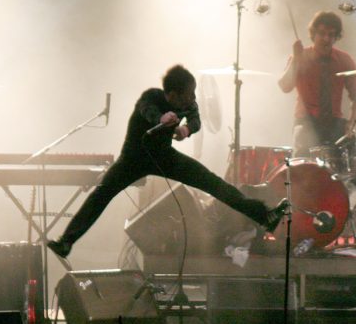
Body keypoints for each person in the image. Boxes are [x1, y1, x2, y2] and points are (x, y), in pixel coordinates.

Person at [47, 65, 288, 258]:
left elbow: (195, 120)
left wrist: (187, 130)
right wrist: (161, 118)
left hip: (164, 157)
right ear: (172, 95)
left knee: (214, 183)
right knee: (101, 195)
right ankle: (66, 242)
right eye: (187, 95)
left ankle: (264, 216)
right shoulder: (151, 97)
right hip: (132, 159)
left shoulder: (188, 104)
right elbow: (146, 111)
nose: (192, 99)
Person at [278, 10, 356, 157]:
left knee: (349, 158)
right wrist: (295, 59)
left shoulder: (344, 60)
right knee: (303, 168)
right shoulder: (300, 56)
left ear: (336, 37)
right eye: (322, 33)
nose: (326, 38)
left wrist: (351, 123)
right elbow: (285, 86)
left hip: (334, 122)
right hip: (306, 121)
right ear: (313, 34)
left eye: (331, 35)